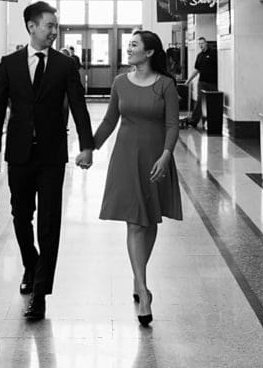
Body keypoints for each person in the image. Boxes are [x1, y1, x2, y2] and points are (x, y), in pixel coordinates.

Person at [0, 1, 94, 321]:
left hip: (51, 155)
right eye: (49, 26)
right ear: (32, 26)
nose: (54, 32)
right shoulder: (10, 64)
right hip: (19, 154)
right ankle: (31, 267)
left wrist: (86, 145)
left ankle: (41, 292)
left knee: (49, 222)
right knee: (21, 217)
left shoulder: (64, 65)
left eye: (56, 27)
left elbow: (78, 106)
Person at [85, 30, 183, 325]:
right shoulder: (119, 83)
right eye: (128, 45)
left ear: (150, 52)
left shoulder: (165, 85)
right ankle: (142, 287)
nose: (128, 49)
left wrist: (166, 155)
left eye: (134, 45)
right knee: (135, 221)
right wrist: (89, 147)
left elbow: (172, 125)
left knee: (149, 220)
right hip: (126, 158)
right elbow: (109, 120)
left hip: (155, 157)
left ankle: (138, 277)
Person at [186, 37, 217, 128]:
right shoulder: (199, 56)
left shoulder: (213, 53)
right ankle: (194, 120)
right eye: (199, 43)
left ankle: (210, 122)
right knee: (200, 101)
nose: (201, 45)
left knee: (212, 102)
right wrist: (189, 80)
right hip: (202, 82)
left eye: (202, 43)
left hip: (213, 82)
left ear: (206, 43)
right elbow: (196, 70)